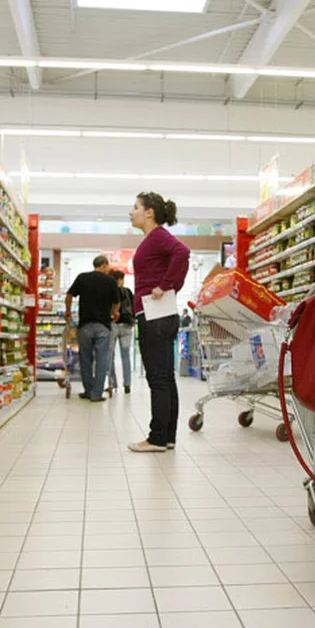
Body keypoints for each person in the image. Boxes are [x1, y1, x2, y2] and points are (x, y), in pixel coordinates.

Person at [126, 192, 190, 453]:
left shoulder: (158, 236)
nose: (131, 212)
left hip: (154, 315)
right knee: (165, 377)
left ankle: (156, 438)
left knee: (158, 378)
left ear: (149, 212)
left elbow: (182, 252)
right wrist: (169, 286)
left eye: (136, 207)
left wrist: (166, 286)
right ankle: (167, 437)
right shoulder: (152, 239)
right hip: (159, 314)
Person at [66, 255, 120, 402]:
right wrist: (114, 313)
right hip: (103, 326)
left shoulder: (82, 278)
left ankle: (88, 391)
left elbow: (69, 294)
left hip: (85, 326)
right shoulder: (110, 281)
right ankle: (96, 394)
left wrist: (68, 311)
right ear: (103, 265)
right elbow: (117, 302)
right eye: (107, 266)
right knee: (102, 360)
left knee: (85, 359)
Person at [107, 269, 135, 395]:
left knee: (110, 356)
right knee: (125, 356)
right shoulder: (128, 291)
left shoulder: (109, 291)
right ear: (119, 279)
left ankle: (112, 384)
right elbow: (134, 307)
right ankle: (127, 385)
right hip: (127, 326)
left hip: (113, 325)